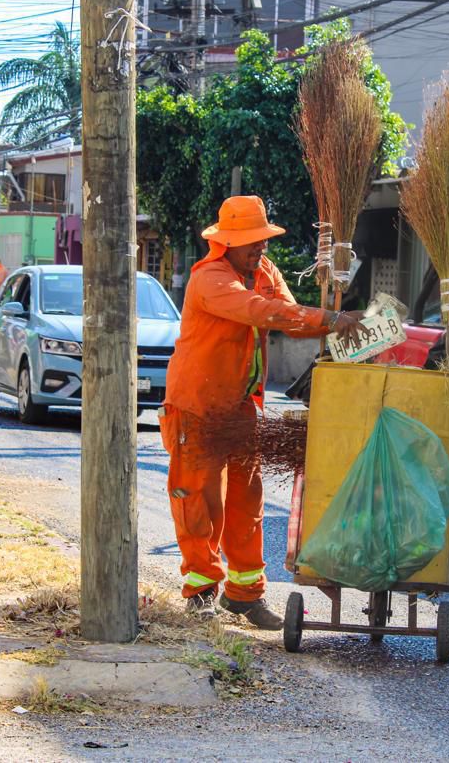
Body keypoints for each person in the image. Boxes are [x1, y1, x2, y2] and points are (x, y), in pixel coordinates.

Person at [160, 196, 368, 629]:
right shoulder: (210, 279)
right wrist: (329, 318)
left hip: (240, 405)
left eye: (263, 239)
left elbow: (287, 317)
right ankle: (201, 592)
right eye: (253, 241)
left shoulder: (265, 272)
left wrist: (334, 319)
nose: (261, 247)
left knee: (247, 502)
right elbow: (258, 310)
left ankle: (245, 595)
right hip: (196, 408)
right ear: (228, 243)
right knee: (198, 501)